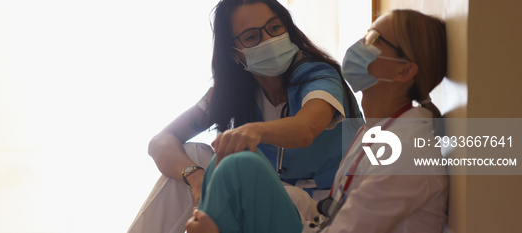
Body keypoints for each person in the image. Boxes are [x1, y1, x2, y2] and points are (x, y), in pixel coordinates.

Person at [185, 9, 449, 233]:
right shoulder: (382, 131)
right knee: (227, 164)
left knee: (240, 167)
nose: (360, 44)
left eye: (373, 39)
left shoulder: (408, 149)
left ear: (404, 70)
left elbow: (307, 127)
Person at [128, 0, 362, 232]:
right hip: (275, 201)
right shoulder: (234, 91)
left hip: (324, 209)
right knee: (194, 155)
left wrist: (252, 132)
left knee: (237, 168)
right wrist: (196, 179)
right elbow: (161, 141)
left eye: (274, 27)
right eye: (252, 37)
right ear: (234, 54)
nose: (269, 40)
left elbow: (307, 128)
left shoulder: (318, 75)